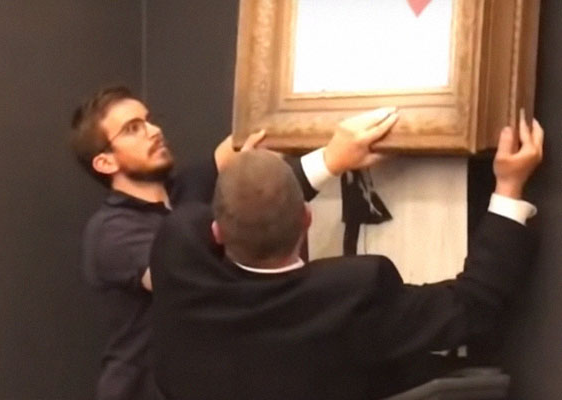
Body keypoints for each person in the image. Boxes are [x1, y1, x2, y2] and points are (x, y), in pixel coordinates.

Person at [149, 114, 544, 400]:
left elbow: (213, 216)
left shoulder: (177, 255)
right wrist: (510, 186)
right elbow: (472, 307)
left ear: (216, 232)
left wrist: (329, 161)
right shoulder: (353, 294)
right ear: (307, 219)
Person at [70, 86, 400, 399]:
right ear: (105, 162)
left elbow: (242, 146)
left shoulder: (186, 189)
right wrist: (329, 161)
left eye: (149, 120)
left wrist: (285, 117)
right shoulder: (113, 232)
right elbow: (205, 260)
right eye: (132, 129)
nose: (154, 130)